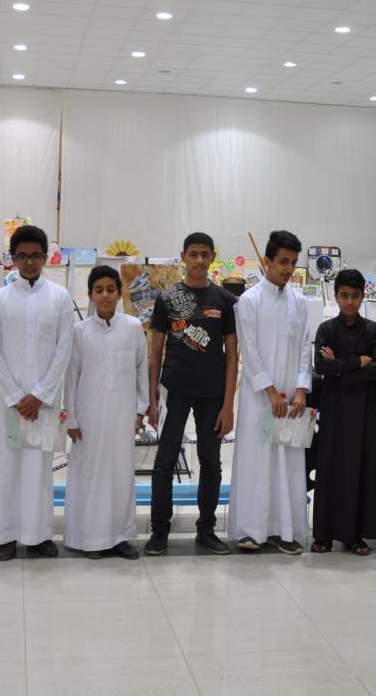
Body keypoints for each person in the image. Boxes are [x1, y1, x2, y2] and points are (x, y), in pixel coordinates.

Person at [0, 224, 75, 561]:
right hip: (8, 403)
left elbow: (63, 350)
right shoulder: (0, 299)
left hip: (43, 403)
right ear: (12, 259)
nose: (29, 262)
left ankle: (37, 536)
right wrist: (14, 395)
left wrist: (40, 395)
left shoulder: (60, 298)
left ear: (46, 257)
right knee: (6, 468)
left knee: (39, 469)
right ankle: (5, 536)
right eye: (22, 256)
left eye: (35, 255)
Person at [144, 232, 238, 556]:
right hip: (175, 391)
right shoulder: (167, 298)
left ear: (212, 257)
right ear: (183, 256)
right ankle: (159, 531)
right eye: (193, 254)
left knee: (211, 463)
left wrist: (229, 405)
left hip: (212, 395)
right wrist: (152, 399)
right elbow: (155, 352)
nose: (199, 260)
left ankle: (206, 530)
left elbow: (232, 356)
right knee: (164, 462)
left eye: (204, 254)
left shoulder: (224, 300)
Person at [227, 230, 314, 555]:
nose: (289, 269)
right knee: (256, 461)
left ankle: (284, 531)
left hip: (291, 400)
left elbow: (305, 347)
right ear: (267, 261)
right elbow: (248, 350)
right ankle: (251, 531)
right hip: (259, 400)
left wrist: (301, 389)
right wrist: (270, 391)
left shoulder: (299, 302)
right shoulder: (249, 301)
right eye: (283, 262)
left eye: (293, 262)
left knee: (289, 464)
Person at [63, 266, 149, 560]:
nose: (105, 295)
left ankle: (121, 537)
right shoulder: (80, 332)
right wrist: (71, 418)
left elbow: (142, 369)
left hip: (123, 417)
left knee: (121, 476)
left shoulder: (133, 328)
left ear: (119, 293)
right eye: (98, 290)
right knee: (90, 476)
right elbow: (71, 377)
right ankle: (91, 539)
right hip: (88, 418)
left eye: (110, 290)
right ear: (90, 295)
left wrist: (141, 410)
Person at [310, 268, 376, 555]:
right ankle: (324, 534)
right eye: (344, 296)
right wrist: (357, 362)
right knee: (330, 467)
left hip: (364, 411)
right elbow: (321, 366)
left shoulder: (372, 330)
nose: (350, 301)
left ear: (362, 297)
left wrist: (340, 369)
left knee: (360, 468)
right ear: (336, 297)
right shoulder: (326, 329)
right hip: (333, 409)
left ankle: (355, 536)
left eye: (355, 296)